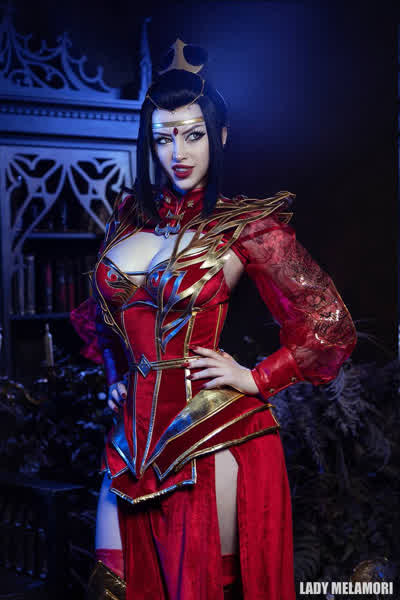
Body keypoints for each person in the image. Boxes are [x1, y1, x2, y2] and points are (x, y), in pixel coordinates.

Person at [71, 39, 357, 600]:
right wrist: (115, 375)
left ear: (220, 137)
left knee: (196, 589)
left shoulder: (245, 226)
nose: (178, 152)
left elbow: (328, 321)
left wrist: (257, 378)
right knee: (109, 586)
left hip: (211, 433)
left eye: (194, 134)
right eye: (163, 137)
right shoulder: (126, 222)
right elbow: (98, 318)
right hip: (128, 442)